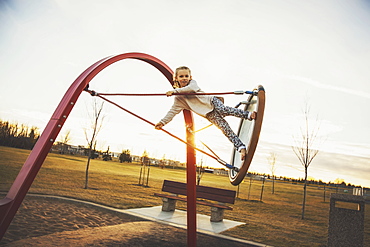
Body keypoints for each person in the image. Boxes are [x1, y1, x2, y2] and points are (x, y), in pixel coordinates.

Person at [155, 66, 256, 161]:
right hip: (209, 114)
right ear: (176, 78)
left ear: (190, 77)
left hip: (212, 101)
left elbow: (190, 89)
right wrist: (162, 122)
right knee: (225, 128)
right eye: (181, 76)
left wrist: (174, 91)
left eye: (186, 76)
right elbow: (172, 112)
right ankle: (241, 148)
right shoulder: (179, 100)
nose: (184, 78)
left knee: (223, 109)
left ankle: (247, 115)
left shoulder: (192, 84)